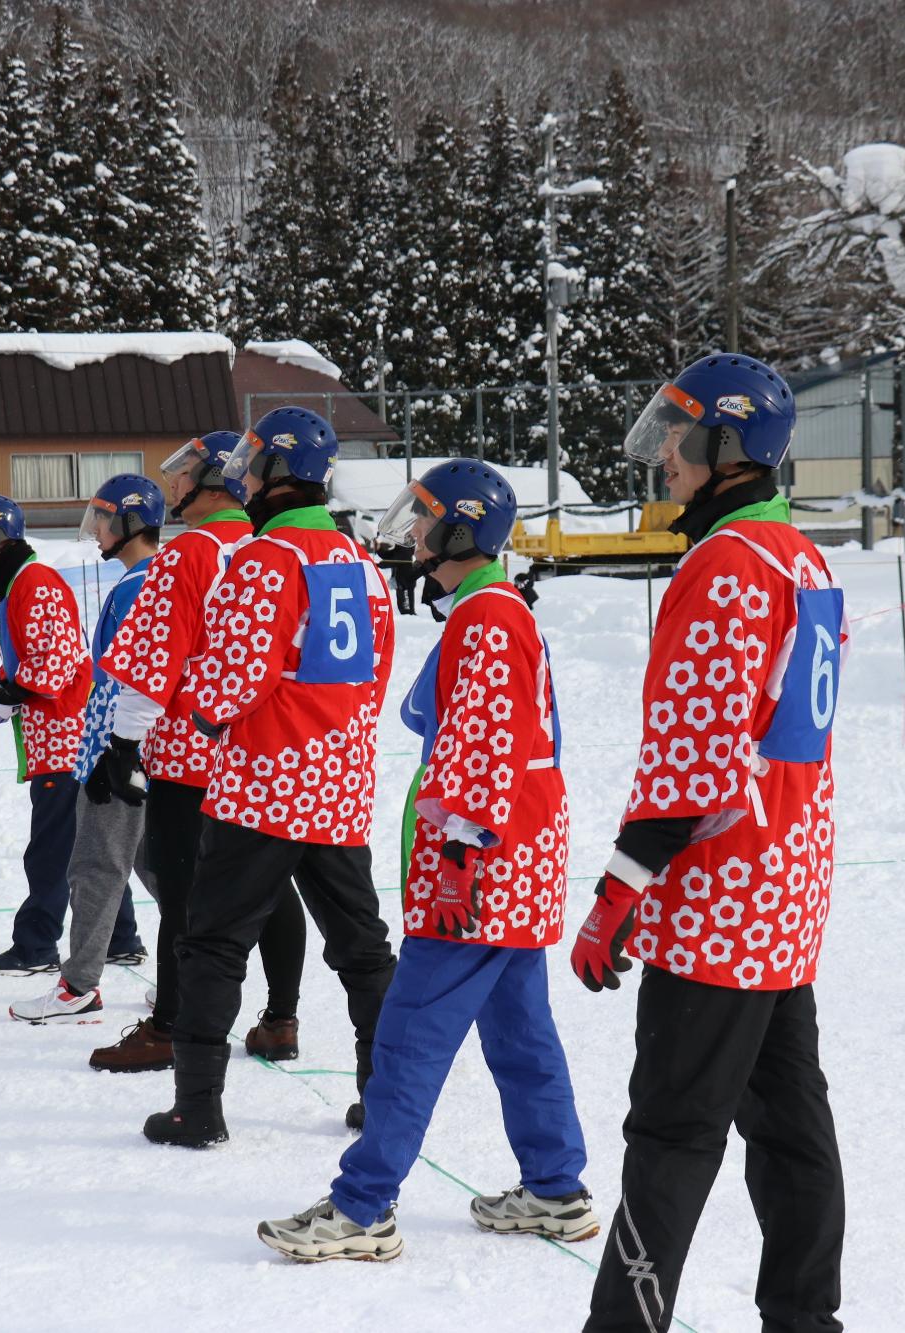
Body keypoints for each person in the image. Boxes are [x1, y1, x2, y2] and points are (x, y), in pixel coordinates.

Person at [257, 459, 594, 1263]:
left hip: (480, 870)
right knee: (520, 1032)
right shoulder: (490, 609)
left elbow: (485, 744)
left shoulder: (486, 615)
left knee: (408, 1033)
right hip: (511, 866)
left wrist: (456, 856)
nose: (411, 532)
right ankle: (555, 1186)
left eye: (425, 518)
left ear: (461, 529)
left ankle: (362, 1205)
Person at [574, 354, 847, 1333]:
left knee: (672, 1133)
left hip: (720, 899)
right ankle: (805, 1319)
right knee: (788, 1128)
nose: (666, 459)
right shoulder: (801, 557)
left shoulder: (726, 564)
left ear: (726, 449)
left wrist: (617, 892)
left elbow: (695, 758)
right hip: (781, 892)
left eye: (679, 439)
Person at [123, 406, 397, 1147]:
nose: (238, 471)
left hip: (263, 785)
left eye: (249, 459)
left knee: (211, 942)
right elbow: (375, 674)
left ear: (274, 471)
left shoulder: (266, 560)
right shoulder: (359, 561)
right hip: (338, 786)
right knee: (364, 949)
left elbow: (228, 684)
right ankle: (384, 1094)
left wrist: (188, 704)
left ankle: (197, 1106)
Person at [87, 432, 310, 1072]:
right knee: (270, 888)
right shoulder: (273, 547)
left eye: (183, 473)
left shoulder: (191, 553)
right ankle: (280, 1018)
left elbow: (153, 660)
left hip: (188, 749)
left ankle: (171, 1026)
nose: (174, 487)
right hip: (254, 751)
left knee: (185, 895)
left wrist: (123, 743)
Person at [10, 475, 163, 1023]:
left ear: (127, 523)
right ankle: (180, 974)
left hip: (120, 746)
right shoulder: (157, 579)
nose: (94, 532)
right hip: (151, 747)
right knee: (155, 866)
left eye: (101, 519)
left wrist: (112, 748)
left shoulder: (137, 587)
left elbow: (129, 680)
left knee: (97, 865)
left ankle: (78, 986)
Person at [0, 493, 93, 977]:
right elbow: (32, 657)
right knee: (79, 845)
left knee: (51, 849)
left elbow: (53, 667)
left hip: (65, 738)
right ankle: (119, 938)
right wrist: (4, 685)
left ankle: (36, 947)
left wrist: (14, 691)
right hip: (54, 735)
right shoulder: (18, 584)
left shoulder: (35, 582)